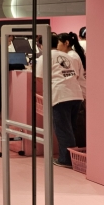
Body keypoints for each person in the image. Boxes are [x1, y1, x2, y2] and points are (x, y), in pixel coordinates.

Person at [36, 32, 86, 168]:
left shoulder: (44, 57)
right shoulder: (67, 56)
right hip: (76, 95)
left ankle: (66, 160)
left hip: (60, 96)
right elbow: (75, 75)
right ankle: (73, 158)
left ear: (41, 45)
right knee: (71, 127)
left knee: (63, 129)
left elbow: (40, 77)